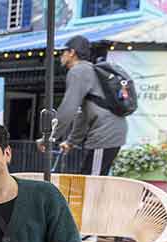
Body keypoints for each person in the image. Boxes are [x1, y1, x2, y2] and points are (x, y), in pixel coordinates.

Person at [52, 35, 128, 176]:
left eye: (63, 52)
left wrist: (50, 136)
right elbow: (82, 114)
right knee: (88, 178)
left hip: (105, 134)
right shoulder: (88, 71)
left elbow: (68, 108)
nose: (60, 56)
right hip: (110, 132)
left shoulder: (78, 71)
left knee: (91, 182)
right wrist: (71, 142)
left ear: (72, 53)